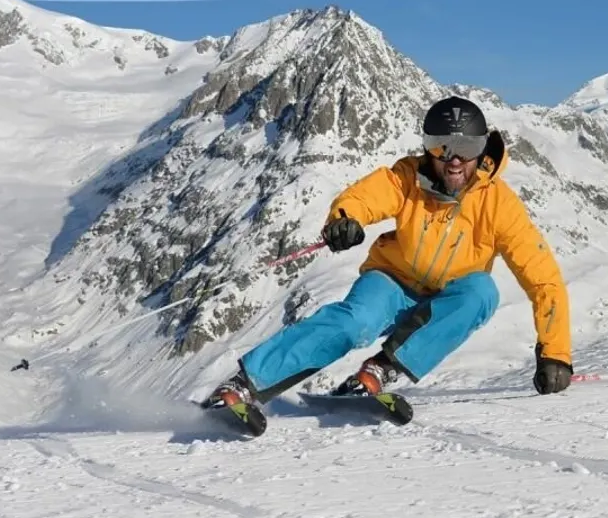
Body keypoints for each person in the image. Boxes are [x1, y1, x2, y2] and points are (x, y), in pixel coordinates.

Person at [203, 95, 573, 435]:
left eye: (467, 148)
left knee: (482, 292)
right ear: (428, 147)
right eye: (442, 146)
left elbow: (542, 277)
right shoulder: (409, 177)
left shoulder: (499, 204)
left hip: (446, 299)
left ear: (482, 150)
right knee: (354, 323)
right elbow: (365, 197)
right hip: (391, 282)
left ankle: (379, 371)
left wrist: (555, 352)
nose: (454, 159)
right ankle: (240, 387)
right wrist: (345, 219)